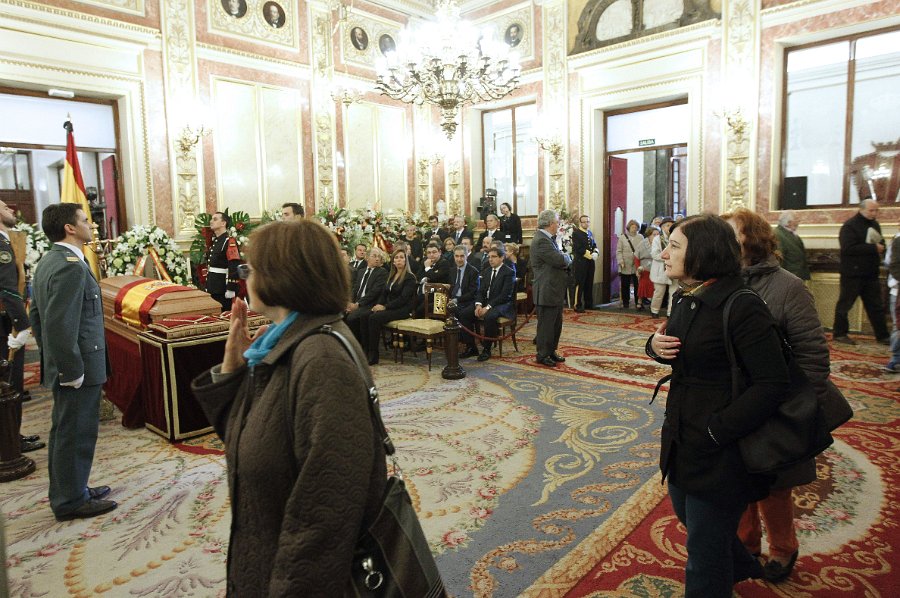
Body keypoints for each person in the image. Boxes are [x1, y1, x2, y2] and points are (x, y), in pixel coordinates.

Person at [191, 219, 385, 595]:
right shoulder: (284, 343)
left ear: (283, 278)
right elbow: (252, 445)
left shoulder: (321, 359)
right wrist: (233, 373)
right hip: (264, 553)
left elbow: (325, 514)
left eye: (249, 269)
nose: (244, 278)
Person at [647, 214, 791, 597]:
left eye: (674, 246)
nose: (664, 253)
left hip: (720, 448)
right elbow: (681, 350)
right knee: (690, 517)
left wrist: (718, 430)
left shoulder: (742, 306)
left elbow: (773, 383)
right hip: (682, 437)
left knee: (704, 555)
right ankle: (741, 565)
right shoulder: (686, 297)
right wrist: (654, 346)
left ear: (703, 252)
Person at [723, 208, 831, 583]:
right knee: (736, 480)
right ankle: (747, 545)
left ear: (752, 239)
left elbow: (813, 356)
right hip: (733, 404)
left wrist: (797, 410)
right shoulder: (719, 282)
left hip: (776, 406)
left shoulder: (788, 287)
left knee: (774, 486)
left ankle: (783, 548)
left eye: (731, 234)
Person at [30, 203, 115, 521]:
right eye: (84, 220)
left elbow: (37, 317)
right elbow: (58, 324)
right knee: (76, 432)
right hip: (77, 365)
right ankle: (70, 500)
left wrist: (52, 357)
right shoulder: (69, 266)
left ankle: (70, 489)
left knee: (65, 429)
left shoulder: (50, 260)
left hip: (66, 360)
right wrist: (69, 367)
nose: (89, 225)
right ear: (69, 228)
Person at [0, 200, 43, 453]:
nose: (11, 210)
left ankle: (12, 435)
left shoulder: (8, 240)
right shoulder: (1, 244)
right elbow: (7, 288)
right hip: (6, 322)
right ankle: (9, 442)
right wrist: (22, 324)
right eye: (4, 207)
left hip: (7, 317)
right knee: (10, 382)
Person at [832, 199, 890, 345]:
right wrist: (873, 248)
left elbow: (880, 242)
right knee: (845, 305)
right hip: (852, 274)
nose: (874, 213)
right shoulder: (850, 226)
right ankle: (840, 334)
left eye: (876, 210)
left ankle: (883, 336)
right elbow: (848, 249)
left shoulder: (875, 224)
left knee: (876, 306)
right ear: (862, 209)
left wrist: (882, 247)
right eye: (871, 210)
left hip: (870, 274)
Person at [458, 246, 515, 362]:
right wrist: (478, 305)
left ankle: (486, 349)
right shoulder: (487, 271)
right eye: (489, 257)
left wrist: (488, 307)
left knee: (490, 316)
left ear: (502, 258)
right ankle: (471, 347)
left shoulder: (509, 272)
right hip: (486, 302)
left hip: (502, 304)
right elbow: (481, 291)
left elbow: (505, 296)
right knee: (464, 314)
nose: (490, 259)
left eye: (494, 257)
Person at [361, 248, 416, 365]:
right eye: (396, 258)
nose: (399, 260)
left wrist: (385, 307)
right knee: (365, 315)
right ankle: (365, 350)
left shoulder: (409, 277)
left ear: (405, 260)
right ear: (393, 261)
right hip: (390, 307)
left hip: (402, 310)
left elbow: (403, 299)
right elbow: (384, 294)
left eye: (401, 257)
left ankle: (373, 355)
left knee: (374, 318)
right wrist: (378, 304)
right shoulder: (392, 276)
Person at [531, 209, 572, 367]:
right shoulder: (541, 240)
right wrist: (568, 257)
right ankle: (543, 354)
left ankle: (551, 350)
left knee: (556, 324)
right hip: (546, 289)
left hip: (554, 289)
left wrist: (564, 257)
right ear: (549, 223)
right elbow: (559, 259)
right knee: (546, 326)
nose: (558, 225)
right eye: (556, 222)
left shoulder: (549, 239)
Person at [345, 247, 388, 342]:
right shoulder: (361, 271)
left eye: (379, 257)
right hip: (357, 303)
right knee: (342, 314)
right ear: (367, 257)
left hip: (370, 304)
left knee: (352, 318)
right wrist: (350, 302)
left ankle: (359, 345)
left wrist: (357, 304)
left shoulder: (382, 272)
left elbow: (374, 292)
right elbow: (355, 289)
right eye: (374, 256)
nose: (377, 259)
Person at [206, 211, 242, 312]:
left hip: (222, 288)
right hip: (213, 286)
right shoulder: (216, 241)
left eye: (215, 219)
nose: (211, 221)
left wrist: (231, 288)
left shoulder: (229, 241)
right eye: (211, 219)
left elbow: (234, 265)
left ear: (223, 223)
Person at [571, 214, 599, 312]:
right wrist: (590, 255)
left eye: (588, 221)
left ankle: (589, 303)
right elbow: (578, 248)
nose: (586, 223)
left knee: (589, 282)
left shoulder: (589, 233)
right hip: (581, 262)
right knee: (580, 283)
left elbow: (594, 245)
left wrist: (596, 252)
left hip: (590, 262)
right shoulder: (576, 234)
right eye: (584, 222)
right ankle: (577, 305)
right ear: (580, 223)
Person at [650, 217, 676, 318]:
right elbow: (655, 254)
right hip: (660, 270)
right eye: (667, 225)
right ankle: (654, 310)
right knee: (659, 292)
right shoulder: (657, 239)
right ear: (662, 227)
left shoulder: (676, 238)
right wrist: (668, 257)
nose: (670, 227)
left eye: (671, 225)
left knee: (673, 293)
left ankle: (670, 313)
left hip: (674, 269)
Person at [774, 211, 810, 281]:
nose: (798, 222)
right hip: (787, 279)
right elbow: (779, 260)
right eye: (796, 220)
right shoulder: (777, 235)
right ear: (788, 222)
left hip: (796, 277)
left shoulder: (791, 234)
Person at [615, 219, 643, 310]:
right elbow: (619, 251)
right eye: (632, 227)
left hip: (636, 264)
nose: (634, 229)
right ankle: (625, 302)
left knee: (637, 284)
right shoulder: (622, 237)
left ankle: (638, 302)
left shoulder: (640, 237)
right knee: (625, 284)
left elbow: (642, 250)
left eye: (636, 227)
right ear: (629, 228)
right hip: (625, 264)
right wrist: (620, 261)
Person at [885, 225, 900, 373]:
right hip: (898, 291)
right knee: (898, 326)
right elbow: (893, 265)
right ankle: (896, 359)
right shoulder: (898, 240)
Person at [635, 226, 658, 311]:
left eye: (657, 234)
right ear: (649, 235)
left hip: (656, 268)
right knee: (642, 286)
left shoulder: (659, 243)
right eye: (654, 234)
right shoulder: (642, 243)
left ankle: (653, 304)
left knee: (654, 287)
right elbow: (636, 257)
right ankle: (639, 303)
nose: (656, 236)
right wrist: (638, 268)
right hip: (644, 269)